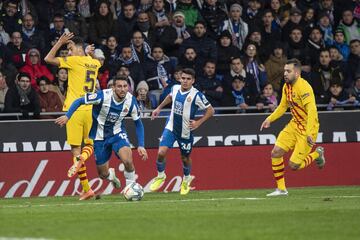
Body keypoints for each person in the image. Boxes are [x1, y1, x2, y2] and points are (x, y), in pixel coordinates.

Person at [55, 76, 148, 190]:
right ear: (113, 88)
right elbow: (79, 101)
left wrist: (141, 145)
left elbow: (138, 123)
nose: (123, 89)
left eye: (125, 86)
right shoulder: (102, 96)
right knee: (103, 174)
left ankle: (131, 188)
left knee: (128, 160)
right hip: (99, 137)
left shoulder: (131, 101)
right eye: (119, 86)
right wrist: (67, 116)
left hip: (117, 134)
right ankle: (111, 176)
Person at [44, 32, 101, 200]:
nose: (68, 52)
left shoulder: (74, 61)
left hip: (73, 111)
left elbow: (48, 59)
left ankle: (81, 166)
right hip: (90, 110)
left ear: (78, 48)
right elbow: (98, 61)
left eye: (69, 48)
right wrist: (89, 53)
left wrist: (60, 42)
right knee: (90, 144)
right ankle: (87, 189)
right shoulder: (94, 63)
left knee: (76, 150)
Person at [260, 58, 326, 197]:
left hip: (309, 127)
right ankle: (281, 189)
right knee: (275, 152)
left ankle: (317, 154)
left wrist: (309, 132)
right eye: (284, 70)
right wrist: (269, 119)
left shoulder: (304, 87)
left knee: (294, 165)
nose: (285, 73)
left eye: (288, 71)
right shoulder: (286, 87)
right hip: (294, 124)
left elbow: (312, 111)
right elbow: (283, 106)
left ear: (296, 73)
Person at [149, 68, 215, 195]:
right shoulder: (174, 88)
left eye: (188, 79)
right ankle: (161, 175)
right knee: (161, 152)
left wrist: (198, 122)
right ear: (180, 79)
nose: (185, 81)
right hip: (171, 126)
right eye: (183, 78)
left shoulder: (197, 95)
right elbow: (170, 97)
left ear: (193, 81)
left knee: (185, 158)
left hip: (185, 131)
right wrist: (158, 108)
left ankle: (186, 179)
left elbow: (211, 110)